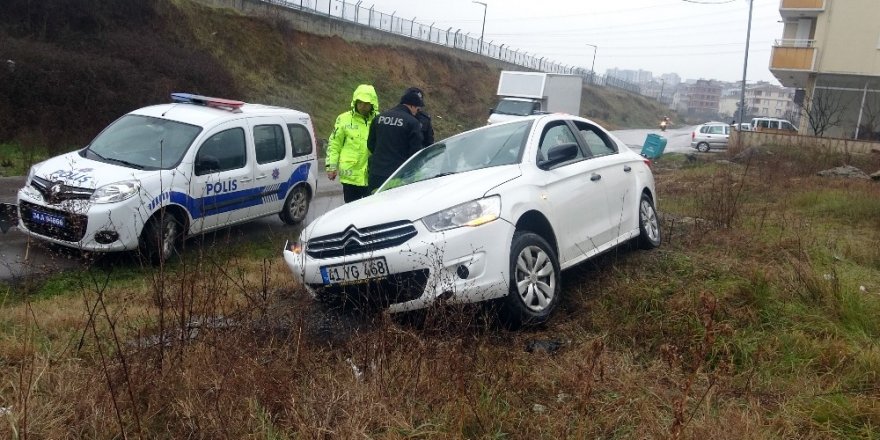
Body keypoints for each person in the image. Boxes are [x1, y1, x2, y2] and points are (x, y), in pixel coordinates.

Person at [326, 84, 379, 203]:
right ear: (355, 101)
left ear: (372, 104)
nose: (362, 106)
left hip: (371, 175)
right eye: (359, 102)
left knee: (369, 212)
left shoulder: (379, 120)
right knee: (350, 212)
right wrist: (331, 166)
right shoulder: (343, 119)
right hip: (350, 177)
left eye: (366, 103)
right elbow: (334, 144)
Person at [367, 87, 425, 192]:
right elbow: (415, 153)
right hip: (397, 175)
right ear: (412, 105)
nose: (417, 112)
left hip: (375, 173)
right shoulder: (412, 123)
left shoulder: (379, 118)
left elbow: (370, 144)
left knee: (373, 204)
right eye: (417, 109)